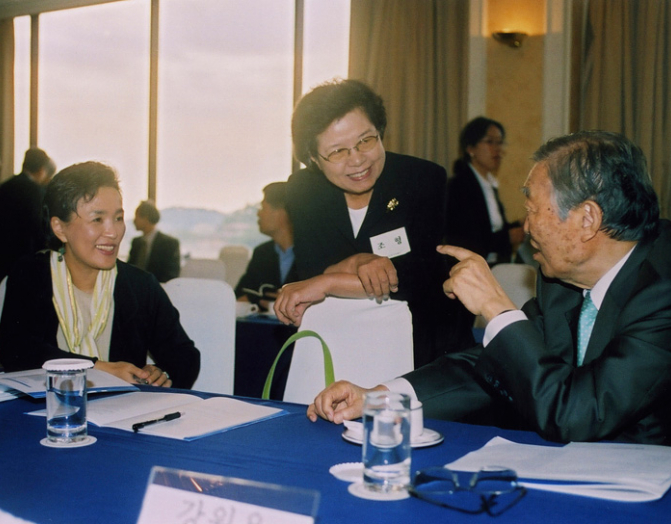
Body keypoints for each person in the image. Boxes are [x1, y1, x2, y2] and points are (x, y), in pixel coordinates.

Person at [307, 130, 671, 446]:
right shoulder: (561, 283)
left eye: (533, 210)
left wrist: (497, 308)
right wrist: (379, 398)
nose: (525, 227)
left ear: (587, 219)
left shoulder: (662, 291)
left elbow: (575, 414)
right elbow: (498, 367)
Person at [275, 79, 473, 368]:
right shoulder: (304, 191)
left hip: (421, 345)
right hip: (338, 340)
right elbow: (310, 268)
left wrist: (328, 282)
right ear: (314, 158)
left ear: (380, 132)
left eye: (365, 141)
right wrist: (359, 262)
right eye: (337, 151)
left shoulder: (422, 179)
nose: (357, 160)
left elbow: (420, 277)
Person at [0, 161, 200, 389]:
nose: (113, 232)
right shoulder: (32, 274)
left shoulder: (140, 286)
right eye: (97, 219)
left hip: (122, 409)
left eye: (118, 218)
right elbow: (16, 350)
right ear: (60, 228)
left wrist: (161, 373)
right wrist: (100, 369)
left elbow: (185, 356)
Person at [0, 148, 54, 295]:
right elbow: (39, 230)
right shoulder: (35, 191)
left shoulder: (5, 186)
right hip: (21, 264)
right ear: (42, 170)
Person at [446, 117, 524, 265]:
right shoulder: (459, 186)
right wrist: (507, 237)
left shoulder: (489, 184)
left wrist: (520, 224)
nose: (497, 149)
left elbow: (492, 230)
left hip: (492, 265)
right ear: (470, 148)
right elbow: (466, 239)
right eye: (490, 142)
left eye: (499, 143)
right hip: (467, 267)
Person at [235, 182, 298, 311]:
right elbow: (239, 296)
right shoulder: (262, 253)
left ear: (282, 213)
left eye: (263, 208)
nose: (258, 214)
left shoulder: (313, 253)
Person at [127, 200, 181, 283]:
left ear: (146, 218)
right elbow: (129, 270)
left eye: (137, 217)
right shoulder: (136, 242)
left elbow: (171, 275)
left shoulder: (169, 244)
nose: (134, 221)